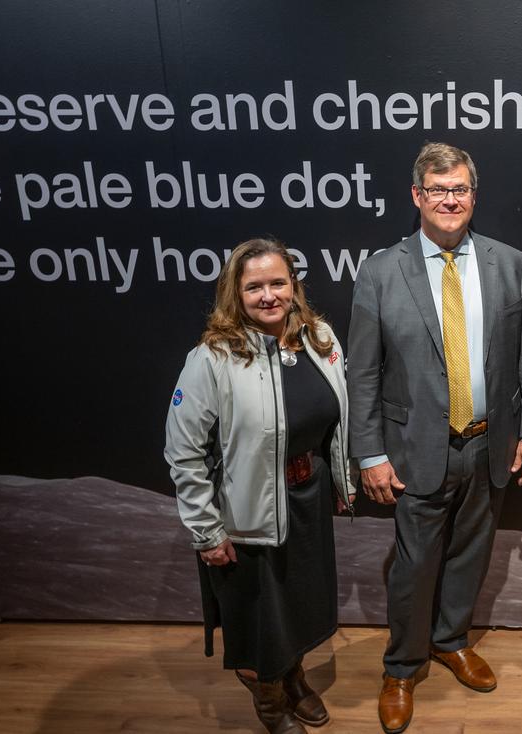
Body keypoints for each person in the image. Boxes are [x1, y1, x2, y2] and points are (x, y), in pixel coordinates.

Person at [347, 142, 522, 734]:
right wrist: (371, 452)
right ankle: (402, 666)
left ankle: (450, 639)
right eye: (437, 190)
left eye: (459, 189)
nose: (449, 200)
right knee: (413, 566)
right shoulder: (381, 271)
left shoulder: (509, 263)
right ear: (417, 197)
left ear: (473, 196)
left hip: (490, 444)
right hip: (414, 451)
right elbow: (362, 371)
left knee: (471, 552)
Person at [164, 238, 356, 733]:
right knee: (255, 626)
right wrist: (206, 531)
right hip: (246, 514)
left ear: (294, 285)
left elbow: (336, 420)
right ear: (236, 292)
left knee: (297, 610)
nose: (268, 295)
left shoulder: (321, 338)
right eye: (254, 287)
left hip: (306, 501)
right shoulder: (212, 358)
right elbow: (183, 452)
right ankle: (271, 706)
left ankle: (292, 680)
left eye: (277, 283)